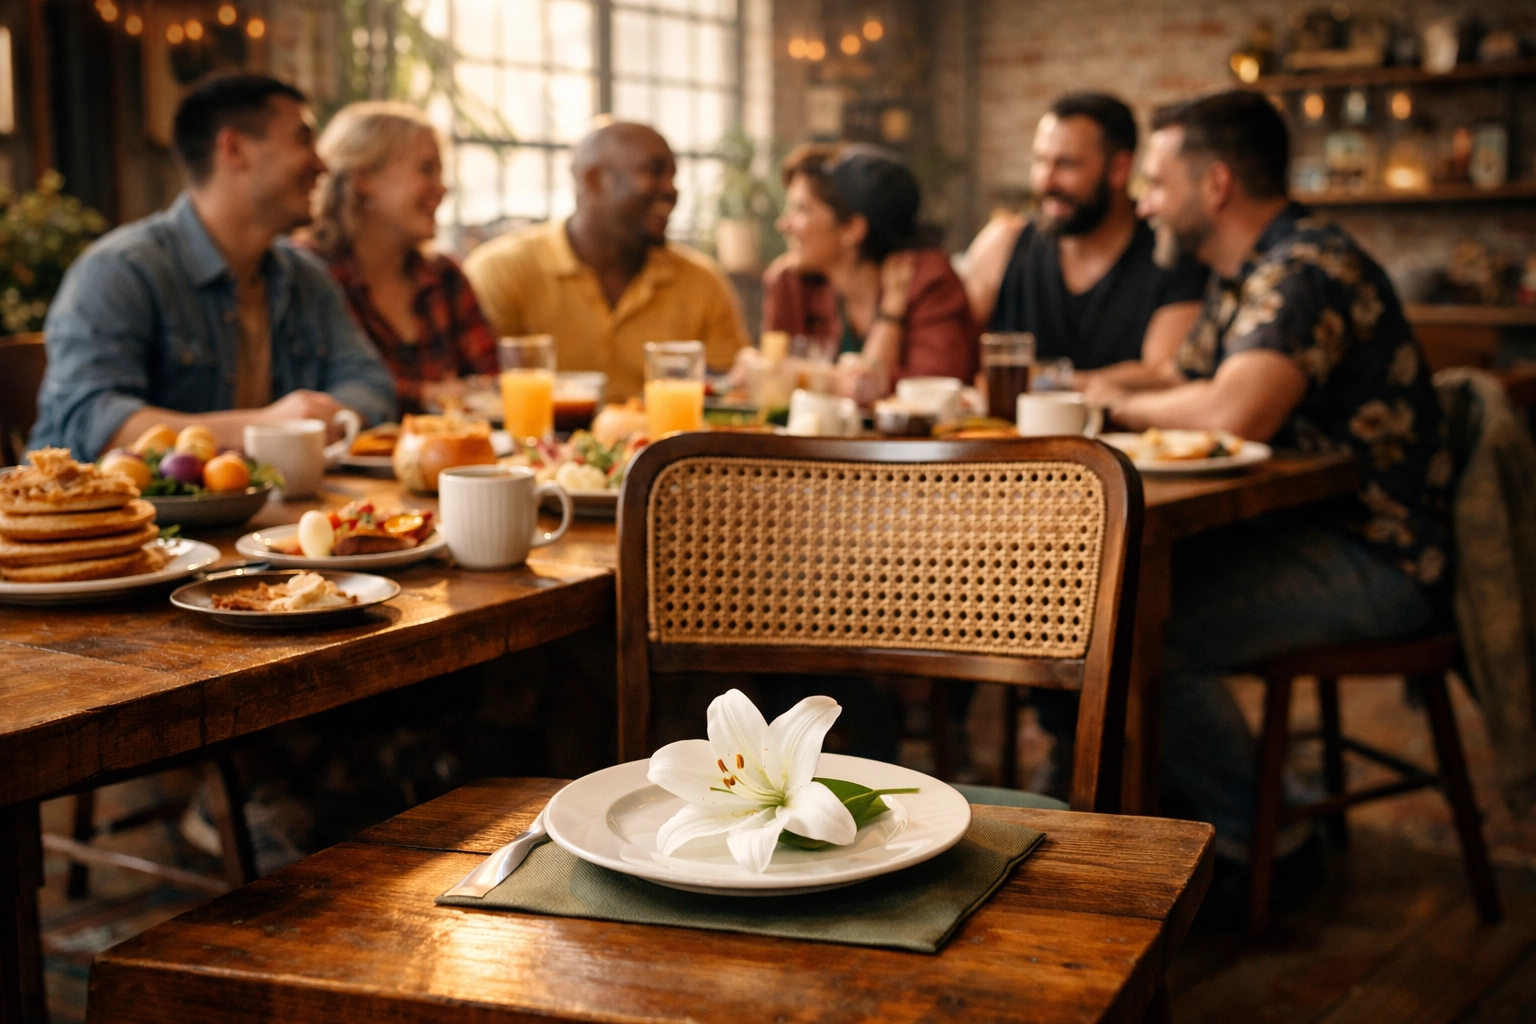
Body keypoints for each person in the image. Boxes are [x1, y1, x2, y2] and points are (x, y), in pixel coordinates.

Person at [1090, 90, 1450, 860]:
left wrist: (1112, 408)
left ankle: (1271, 842)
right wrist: (1076, 388)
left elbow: (1233, 413)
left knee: (1139, 629)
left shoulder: (1305, 268)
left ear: (1214, 185)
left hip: (1379, 553)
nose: (1146, 205)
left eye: (1156, 184)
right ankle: (1137, 810)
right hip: (1302, 532)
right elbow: (1166, 377)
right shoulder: (1243, 274)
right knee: (1103, 598)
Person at [30, 74, 395, 459]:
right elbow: (93, 422)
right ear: (234, 149)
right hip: (100, 515)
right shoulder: (119, 271)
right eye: (303, 139)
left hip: (255, 514)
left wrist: (319, 417)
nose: (322, 164)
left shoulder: (305, 278)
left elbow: (371, 385)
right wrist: (270, 426)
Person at [464, 121, 749, 402]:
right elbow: (481, 396)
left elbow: (729, 397)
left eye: (673, 176)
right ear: (593, 180)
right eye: (655, 171)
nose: (671, 190)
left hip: (666, 445)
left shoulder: (704, 282)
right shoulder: (501, 271)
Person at [963, 93, 1206, 376]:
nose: (1045, 181)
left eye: (1066, 164)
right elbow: (955, 361)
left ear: (1119, 169)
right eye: (1040, 161)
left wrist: (1045, 382)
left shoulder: (1171, 253)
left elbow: (1161, 375)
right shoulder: (1002, 244)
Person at [298, 102, 498, 415]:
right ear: (365, 179)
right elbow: (315, 390)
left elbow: (491, 384)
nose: (442, 188)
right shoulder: (307, 272)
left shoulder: (445, 276)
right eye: (426, 170)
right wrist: (427, 394)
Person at [764, 144, 979, 403]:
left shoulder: (929, 281)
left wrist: (812, 377)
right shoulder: (792, 283)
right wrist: (836, 380)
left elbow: (937, 389)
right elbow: (768, 376)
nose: (784, 224)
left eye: (801, 210)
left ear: (852, 229)